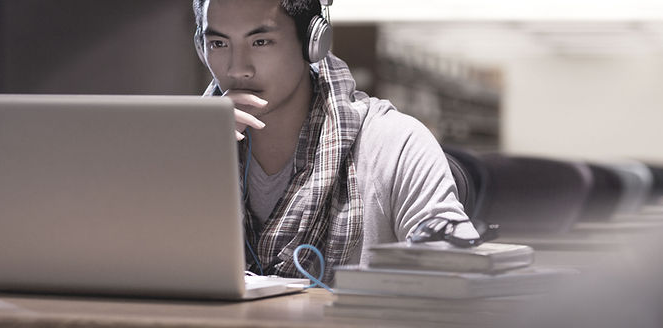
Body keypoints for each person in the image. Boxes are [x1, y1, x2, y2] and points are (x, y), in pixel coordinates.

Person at [192, 0, 473, 281]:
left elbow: (460, 273)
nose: (237, 69)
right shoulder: (185, 150)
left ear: (312, 43)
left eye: (261, 41)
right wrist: (194, 161)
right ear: (201, 49)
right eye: (219, 44)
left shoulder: (395, 144)